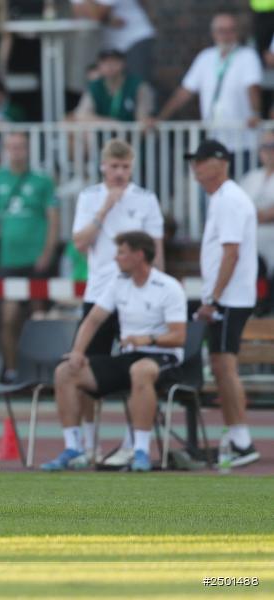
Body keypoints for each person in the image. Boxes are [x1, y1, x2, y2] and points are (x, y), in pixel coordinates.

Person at [42, 231, 187, 472]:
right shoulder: (118, 283)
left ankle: (139, 450)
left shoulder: (168, 287)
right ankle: (73, 448)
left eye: (121, 252)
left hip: (162, 356)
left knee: (140, 371)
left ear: (139, 255)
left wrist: (146, 338)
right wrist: (78, 351)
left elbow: (179, 336)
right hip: (128, 356)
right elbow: (93, 319)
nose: (116, 258)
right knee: (65, 372)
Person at [71, 139, 164, 465]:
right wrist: (104, 209)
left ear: (132, 167)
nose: (120, 173)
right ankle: (86, 442)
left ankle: (133, 441)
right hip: (99, 294)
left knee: (137, 368)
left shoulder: (146, 199)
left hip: (136, 299)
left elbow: (157, 251)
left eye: (125, 167)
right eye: (114, 167)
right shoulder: (89, 197)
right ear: (103, 166)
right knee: (84, 366)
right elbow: (80, 243)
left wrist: (157, 291)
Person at [187, 139, 260, 467]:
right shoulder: (224, 198)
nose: (196, 167)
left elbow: (231, 252)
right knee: (220, 364)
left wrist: (214, 298)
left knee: (224, 365)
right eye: (194, 161)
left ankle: (242, 440)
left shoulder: (228, 199)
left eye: (202, 161)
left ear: (221, 162)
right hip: (227, 296)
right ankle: (236, 434)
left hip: (229, 297)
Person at [0, 132, 57, 382]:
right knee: (9, 317)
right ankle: (12, 370)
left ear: (27, 149)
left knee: (38, 316)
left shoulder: (42, 180)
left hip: (35, 258)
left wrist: (48, 251)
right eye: (12, 147)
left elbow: (53, 218)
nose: (16, 151)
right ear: (6, 150)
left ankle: (42, 371)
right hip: (10, 260)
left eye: (20, 147)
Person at [149, 12, 262, 161]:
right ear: (214, 34)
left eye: (231, 30)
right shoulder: (205, 57)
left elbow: (252, 87)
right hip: (214, 140)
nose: (226, 35)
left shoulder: (247, 55)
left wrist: (255, 113)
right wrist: (161, 118)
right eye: (222, 31)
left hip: (243, 141)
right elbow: (184, 92)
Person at [70, 0, 156, 84]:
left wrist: (101, 18)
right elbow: (79, 14)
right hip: (112, 44)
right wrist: (108, 20)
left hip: (136, 37)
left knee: (136, 85)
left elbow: (97, 16)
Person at [73, 49, 153, 123]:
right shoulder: (94, 86)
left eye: (114, 61)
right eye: (105, 62)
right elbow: (82, 114)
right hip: (103, 136)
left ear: (123, 63)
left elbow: (143, 117)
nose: (110, 65)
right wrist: (111, 123)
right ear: (99, 65)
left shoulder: (137, 85)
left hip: (130, 136)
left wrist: (143, 120)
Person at [238, 131, 274, 280]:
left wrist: (259, 215)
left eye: (272, 146)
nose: (269, 151)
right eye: (265, 147)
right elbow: (238, 208)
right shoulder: (251, 177)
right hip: (250, 241)